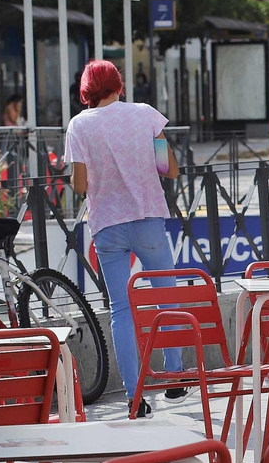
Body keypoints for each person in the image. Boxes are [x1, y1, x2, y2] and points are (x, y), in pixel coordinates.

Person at [65, 59, 185, 415]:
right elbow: (170, 169)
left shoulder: (79, 125)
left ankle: (135, 396)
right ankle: (176, 377)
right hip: (148, 218)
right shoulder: (146, 114)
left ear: (87, 90)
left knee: (120, 309)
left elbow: (81, 184)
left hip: (107, 226)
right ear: (119, 85)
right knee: (168, 296)